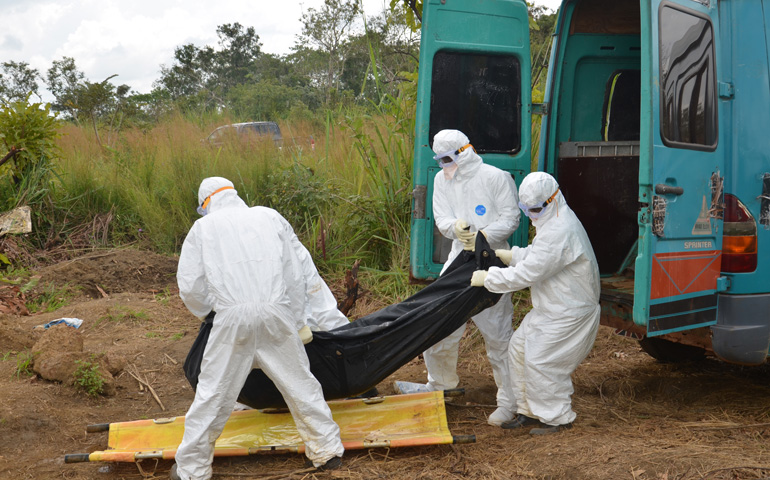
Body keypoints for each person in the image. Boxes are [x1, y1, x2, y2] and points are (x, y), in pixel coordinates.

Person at [171, 177, 344, 480]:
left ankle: (192, 470)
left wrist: (211, 311)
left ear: (206, 204)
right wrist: (299, 319)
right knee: (300, 384)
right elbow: (294, 273)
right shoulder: (268, 216)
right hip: (276, 312)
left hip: (232, 317)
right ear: (234, 194)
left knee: (214, 394)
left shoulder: (204, 228)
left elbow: (191, 286)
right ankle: (327, 452)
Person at [395, 129, 521, 428]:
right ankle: (440, 384)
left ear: (465, 151)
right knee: (437, 321)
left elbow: (511, 218)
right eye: (439, 160)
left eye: (449, 158)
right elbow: (442, 218)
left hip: (492, 257)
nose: (444, 165)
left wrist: (483, 236)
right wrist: (457, 229)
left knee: (497, 333)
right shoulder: (441, 180)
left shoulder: (495, 177)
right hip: (458, 257)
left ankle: (509, 401)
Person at [470, 171, 600, 435]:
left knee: (543, 362)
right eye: (525, 209)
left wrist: (490, 278)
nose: (530, 215)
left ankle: (557, 418)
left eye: (535, 209)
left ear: (553, 200)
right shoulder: (552, 222)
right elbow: (540, 254)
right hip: (550, 308)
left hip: (569, 312)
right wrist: (514, 255)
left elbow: (530, 273)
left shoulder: (561, 228)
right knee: (518, 350)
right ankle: (529, 411)